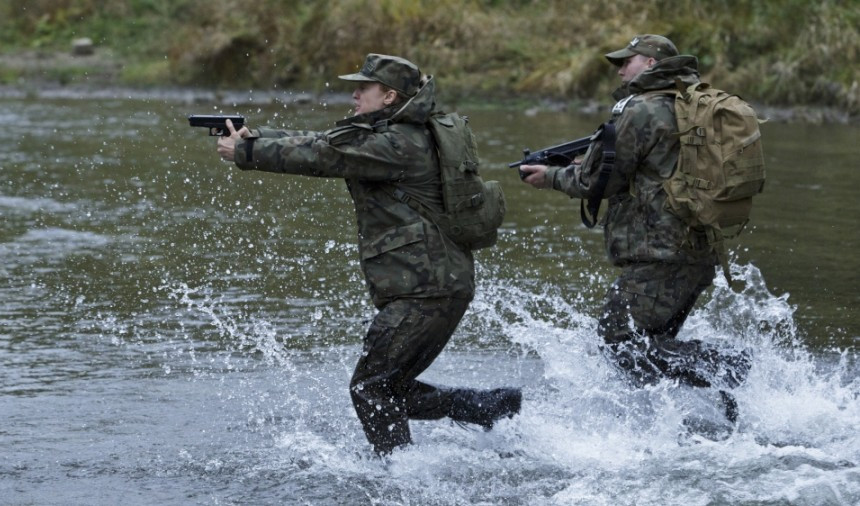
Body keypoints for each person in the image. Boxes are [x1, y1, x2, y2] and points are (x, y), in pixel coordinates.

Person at [216, 54, 521, 455]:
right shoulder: (396, 135)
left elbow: (327, 157)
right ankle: (483, 407)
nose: (354, 93)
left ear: (390, 96)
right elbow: (325, 141)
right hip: (433, 286)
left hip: (426, 291)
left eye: (364, 87)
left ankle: (396, 472)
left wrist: (247, 153)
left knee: (371, 388)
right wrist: (257, 135)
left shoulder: (399, 143)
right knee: (388, 386)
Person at [519, 35, 750, 426]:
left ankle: (729, 367)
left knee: (616, 342)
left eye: (628, 61)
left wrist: (552, 177)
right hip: (695, 249)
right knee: (647, 348)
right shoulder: (689, 106)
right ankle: (668, 428)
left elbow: (600, 181)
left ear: (651, 64)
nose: (621, 69)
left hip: (659, 255)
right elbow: (651, 166)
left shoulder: (640, 109)